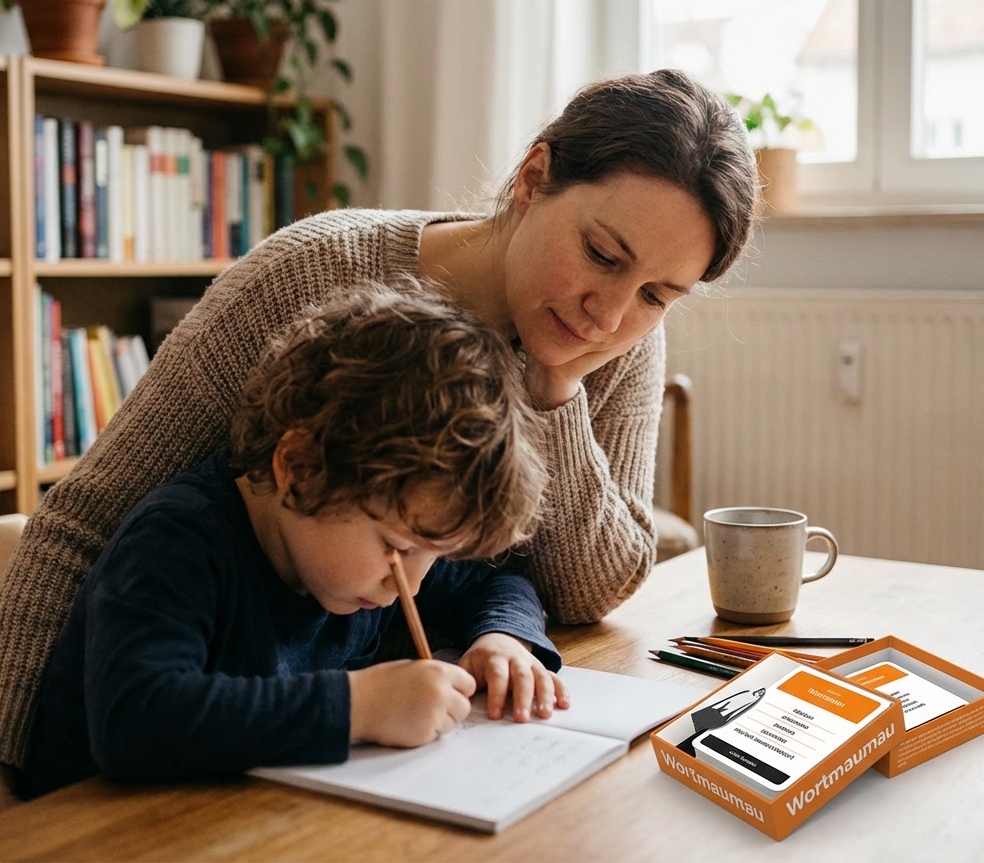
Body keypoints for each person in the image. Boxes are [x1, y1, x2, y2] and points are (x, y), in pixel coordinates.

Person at [0, 67, 760, 779]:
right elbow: (87, 523)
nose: (613, 314)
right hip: (194, 750)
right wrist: (21, 778)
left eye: (659, 295)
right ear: (533, 180)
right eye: (600, 254)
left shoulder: (617, 343)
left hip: (355, 757)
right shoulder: (313, 275)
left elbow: (580, 592)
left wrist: (557, 385)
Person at [14, 281, 566, 800]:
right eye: (398, 548)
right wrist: (361, 707)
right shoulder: (176, 542)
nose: (411, 585)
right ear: (300, 468)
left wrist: (501, 639)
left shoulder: (367, 552)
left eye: (437, 554)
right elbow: (135, 719)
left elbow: (496, 583)